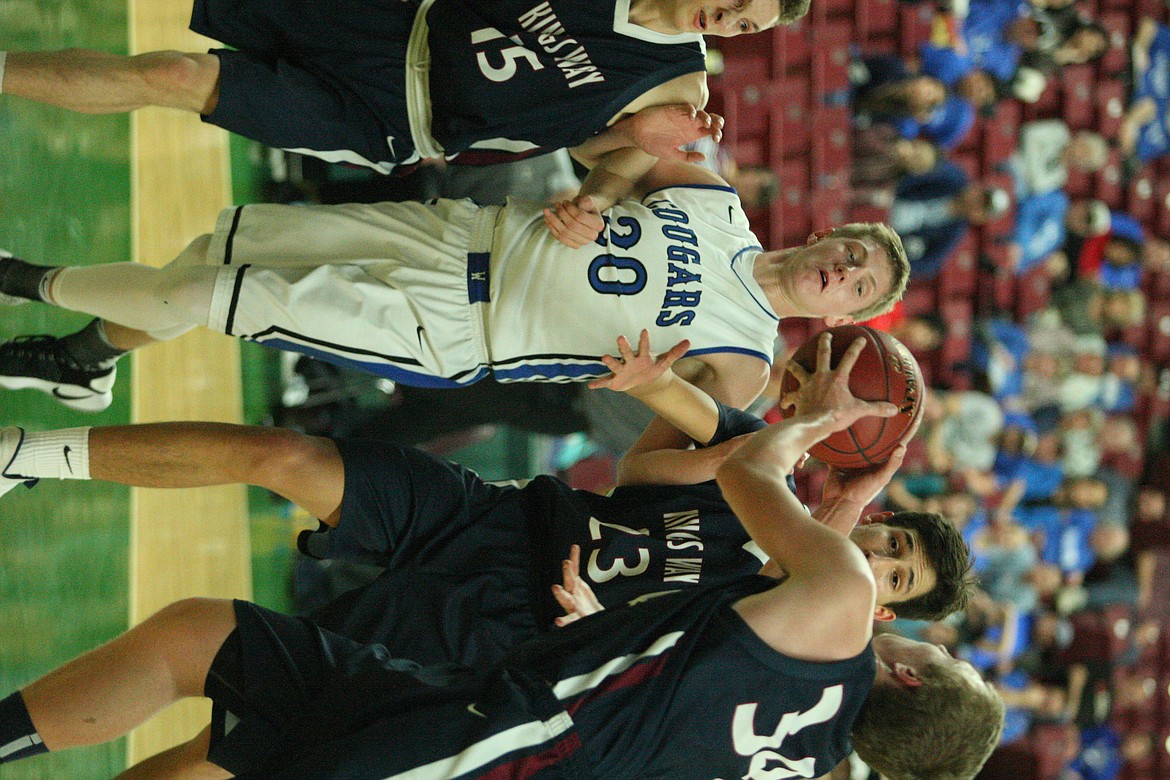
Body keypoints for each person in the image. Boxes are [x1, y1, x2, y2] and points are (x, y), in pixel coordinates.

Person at [0, 336, 1004, 778]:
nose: (881, 564)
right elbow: (663, 461)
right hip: (505, 548)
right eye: (892, 548)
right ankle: (31, 454)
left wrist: (823, 436)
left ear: (901, 652)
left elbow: (750, 494)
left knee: (233, 739)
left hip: (497, 679)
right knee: (226, 592)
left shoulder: (812, 602)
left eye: (897, 583)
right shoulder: (804, 729)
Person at [0, 155, 909, 415]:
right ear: (831, 231)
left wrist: (659, 387)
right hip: (455, 232)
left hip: (457, 331)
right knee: (204, 259)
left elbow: (707, 433)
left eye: (857, 291)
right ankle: (84, 362)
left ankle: (21, 280)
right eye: (854, 255)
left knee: (205, 298)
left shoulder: (746, 359)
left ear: (842, 316)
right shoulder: (717, 204)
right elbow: (631, 147)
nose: (844, 275)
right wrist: (596, 196)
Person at [0, 0, 807, 174]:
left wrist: (632, 143)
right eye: (737, 2)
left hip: (391, 117)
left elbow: (599, 153)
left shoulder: (677, 82)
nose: (727, 16)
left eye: (742, 26)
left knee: (174, 77)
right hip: (390, 20)